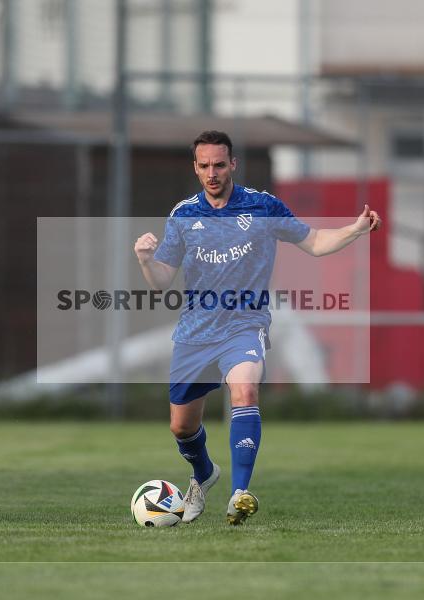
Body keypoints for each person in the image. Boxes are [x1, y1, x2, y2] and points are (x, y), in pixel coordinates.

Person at [134, 130, 380, 525]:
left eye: (219, 164)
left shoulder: (263, 206)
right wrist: (146, 259)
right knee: (182, 427)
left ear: (233, 164)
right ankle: (203, 473)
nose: (212, 173)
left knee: (245, 389)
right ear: (195, 168)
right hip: (196, 332)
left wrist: (354, 229)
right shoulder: (183, 215)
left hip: (245, 325)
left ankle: (240, 494)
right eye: (204, 166)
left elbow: (315, 241)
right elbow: (161, 280)